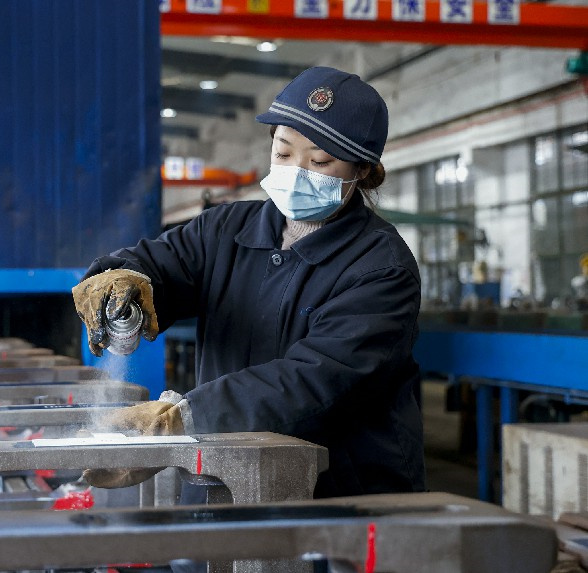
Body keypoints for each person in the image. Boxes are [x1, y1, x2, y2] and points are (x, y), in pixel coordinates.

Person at [72, 67, 426, 501]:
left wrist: (186, 418)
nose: (297, 171)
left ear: (363, 172)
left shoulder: (381, 268)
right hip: (230, 480)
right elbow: (162, 266)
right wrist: (123, 285)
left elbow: (313, 381)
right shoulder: (225, 228)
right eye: (283, 152)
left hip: (342, 494)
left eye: (319, 161)